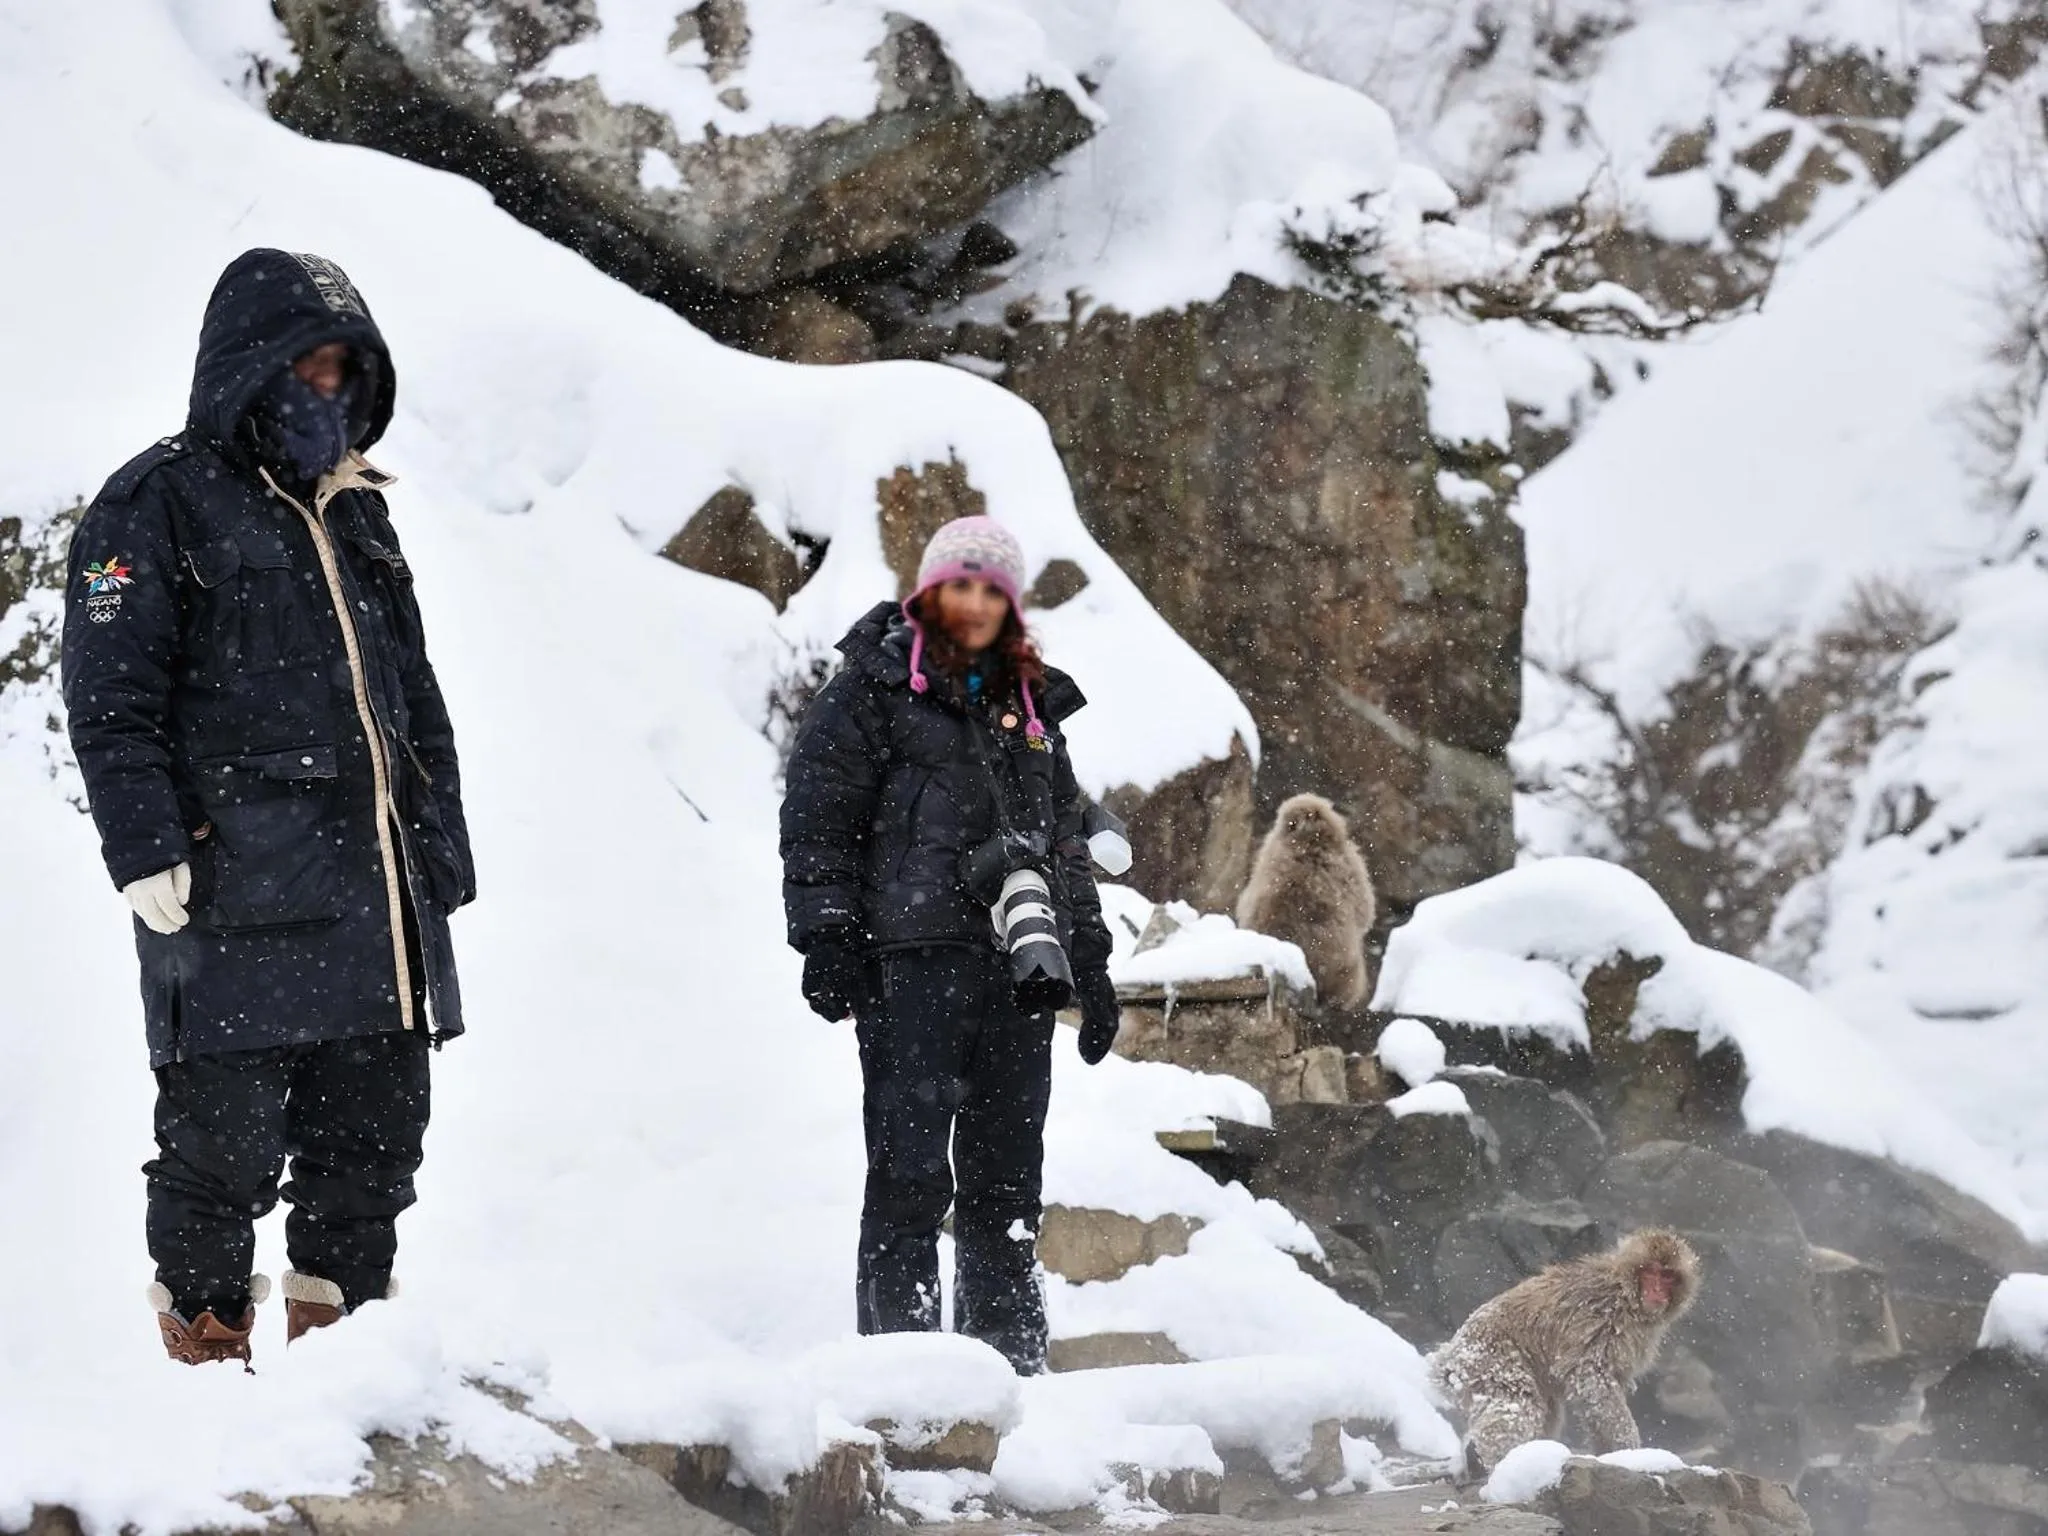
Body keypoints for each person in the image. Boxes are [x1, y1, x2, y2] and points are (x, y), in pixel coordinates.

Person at [61, 249, 474, 1367]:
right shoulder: (155, 502)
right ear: (248, 365)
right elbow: (110, 698)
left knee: (375, 1154)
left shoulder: (358, 515)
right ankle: (211, 1395)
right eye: (308, 364)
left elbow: (412, 701)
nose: (326, 389)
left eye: (345, 369)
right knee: (218, 1158)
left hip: (373, 903)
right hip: (233, 899)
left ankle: (349, 1397)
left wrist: (438, 851)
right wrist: (142, 843)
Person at [779, 516, 1122, 1373]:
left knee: (1007, 1187)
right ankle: (904, 1386)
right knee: (908, 1180)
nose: (973, 604)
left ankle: (1010, 1375)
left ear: (1010, 605)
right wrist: (827, 937)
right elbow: (819, 819)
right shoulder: (874, 687)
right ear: (930, 590)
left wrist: (1093, 964)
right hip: (910, 963)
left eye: (990, 591)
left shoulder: (1032, 708)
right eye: (959, 585)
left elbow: (1065, 846)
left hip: (1016, 973)